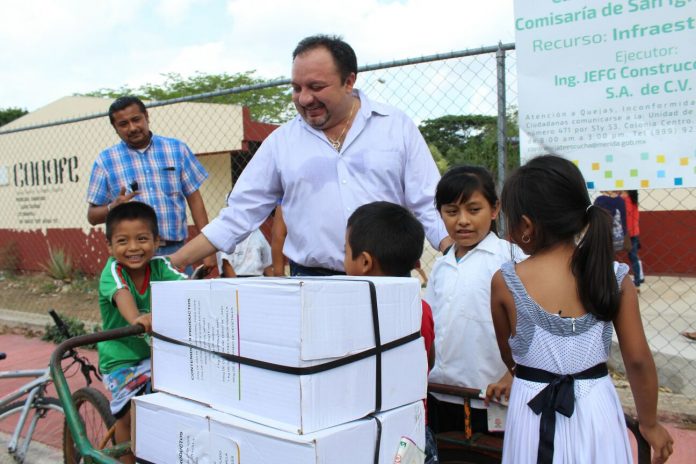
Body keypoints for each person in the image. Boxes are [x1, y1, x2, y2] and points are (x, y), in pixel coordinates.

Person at [169, 35, 450, 275]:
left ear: (349, 81)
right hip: (311, 282)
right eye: (296, 88)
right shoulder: (281, 143)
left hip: (388, 279)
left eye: (316, 87)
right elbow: (239, 215)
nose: (304, 99)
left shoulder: (395, 126)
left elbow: (428, 201)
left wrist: (454, 248)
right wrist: (173, 263)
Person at [490, 155, 673, 463]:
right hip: (596, 411)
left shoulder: (505, 282)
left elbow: (511, 356)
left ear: (526, 226)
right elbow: (639, 360)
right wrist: (649, 423)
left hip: (531, 411)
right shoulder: (614, 277)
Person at [425, 165, 523, 435]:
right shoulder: (441, 266)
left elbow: (533, 325)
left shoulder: (511, 260)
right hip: (441, 392)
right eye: (452, 212)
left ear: (494, 209)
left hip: (492, 395)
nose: (463, 221)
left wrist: (512, 375)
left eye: (473, 209)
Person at [343, 201, 437, 463]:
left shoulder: (350, 314)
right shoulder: (423, 309)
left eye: (345, 251)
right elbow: (428, 361)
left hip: (364, 436)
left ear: (364, 262)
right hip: (414, 436)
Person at [97, 202, 187, 463]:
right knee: (129, 413)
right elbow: (122, 294)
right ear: (110, 247)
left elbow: (184, 289)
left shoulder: (160, 267)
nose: (134, 247)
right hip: (121, 359)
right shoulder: (113, 271)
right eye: (123, 241)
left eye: (142, 239)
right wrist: (137, 317)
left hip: (153, 353)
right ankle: (125, 458)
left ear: (157, 241)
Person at [86, 95, 216, 272]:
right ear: (115, 129)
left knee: (179, 300)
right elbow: (92, 216)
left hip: (177, 252)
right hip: (133, 258)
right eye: (123, 124)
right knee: (136, 301)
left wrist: (208, 250)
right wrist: (112, 207)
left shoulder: (177, 149)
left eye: (136, 119)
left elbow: (195, 200)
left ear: (146, 117)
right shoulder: (105, 161)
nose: (132, 128)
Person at [593, 190, 629, 255]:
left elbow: (596, 218)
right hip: (619, 237)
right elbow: (624, 220)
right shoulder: (620, 201)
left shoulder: (600, 200)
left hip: (603, 237)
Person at [622, 190, 644, 290]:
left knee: (632, 257)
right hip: (635, 232)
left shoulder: (624, 200)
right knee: (634, 257)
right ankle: (638, 280)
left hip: (627, 233)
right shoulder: (634, 200)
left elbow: (627, 218)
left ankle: (638, 279)